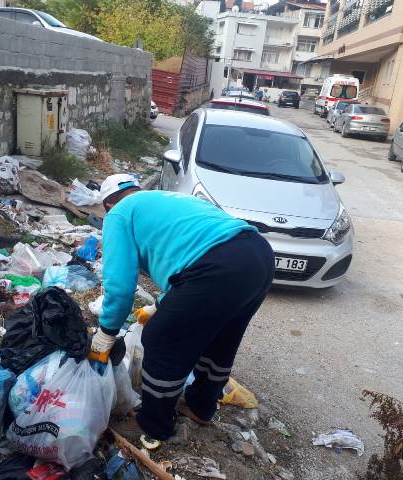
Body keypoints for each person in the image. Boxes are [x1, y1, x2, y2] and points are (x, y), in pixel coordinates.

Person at [90, 174, 274, 444]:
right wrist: (159, 305)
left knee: (160, 340)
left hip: (216, 266)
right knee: (220, 338)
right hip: (258, 256)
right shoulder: (167, 200)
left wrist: (106, 332)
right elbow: (184, 263)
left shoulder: (119, 215)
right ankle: (201, 407)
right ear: (136, 189)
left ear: (108, 204)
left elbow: (119, 286)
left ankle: (154, 425)